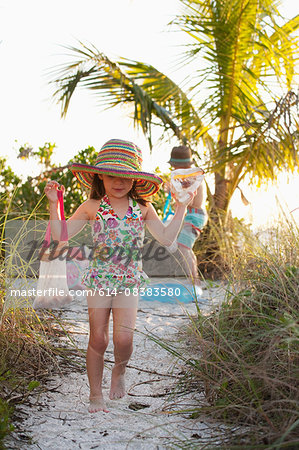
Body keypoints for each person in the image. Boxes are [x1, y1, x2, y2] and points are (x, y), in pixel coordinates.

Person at [44, 139, 195, 414]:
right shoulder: (92, 206)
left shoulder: (143, 208)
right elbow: (60, 237)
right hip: (99, 280)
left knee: (124, 340)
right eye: (112, 175)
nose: (118, 181)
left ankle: (120, 371)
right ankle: (94, 394)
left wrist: (182, 207)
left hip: (128, 280)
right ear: (101, 174)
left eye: (126, 176)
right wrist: (54, 205)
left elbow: (165, 238)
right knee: (98, 339)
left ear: (135, 179)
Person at [168, 145, 207, 288]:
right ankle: (194, 278)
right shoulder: (185, 178)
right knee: (186, 247)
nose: (173, 170)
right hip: (193, 215)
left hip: (195, 216)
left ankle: (194, 280)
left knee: (184, 247)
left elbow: (192, 200)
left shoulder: (192, 178)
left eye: (174, 166)